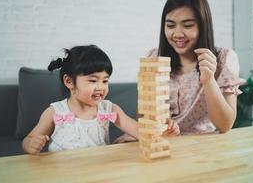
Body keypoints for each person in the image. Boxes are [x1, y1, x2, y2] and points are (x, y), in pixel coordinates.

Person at [116, 0, 242, 142]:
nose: (177, 34)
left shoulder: (224, 58)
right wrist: (158, 120)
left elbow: (225, 125)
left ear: (203, 26)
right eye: (170, 25)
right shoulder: (154, 57)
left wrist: (209, 80)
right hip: (160, 140)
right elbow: (142, 116)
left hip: (198, 143)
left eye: (187, 25)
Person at [22, 45, 179, 154]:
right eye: (93, 80)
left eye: (105, 80)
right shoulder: (54, 112)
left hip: (98, 172)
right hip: (62, 172)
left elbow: (138, 130)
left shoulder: (109, 109)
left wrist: (162, 131)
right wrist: (30, 145)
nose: (101, 87)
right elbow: (29, 139)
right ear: (69, 81)